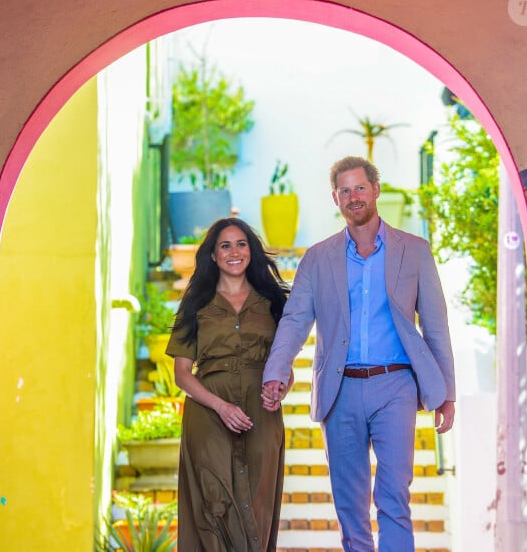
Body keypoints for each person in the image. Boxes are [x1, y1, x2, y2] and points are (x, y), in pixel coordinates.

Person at [262, 156, 456, 552]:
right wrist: (275, 371)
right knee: (350, 504)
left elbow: (435, 325)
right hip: (341, 388)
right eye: (345, 190)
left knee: (394, 494)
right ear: (335, 199)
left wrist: (446, 391)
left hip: (396, 385)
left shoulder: (415, 251)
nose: (354, 197)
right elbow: (296, 320)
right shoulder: (317, 258)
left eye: (360, 188)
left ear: (376, 190)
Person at [166, 217, 293, 552]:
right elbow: (182, 373)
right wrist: (220, 406)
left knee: (258, 501)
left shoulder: (274, 303)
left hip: (260, 415)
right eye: (225, 245)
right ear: (213, 255)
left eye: (241, 244)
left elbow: (285, 367)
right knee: (213, 501)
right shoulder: (195, 304)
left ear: (251, 251)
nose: (234, 252)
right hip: (208, 413)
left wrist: (281, 389)